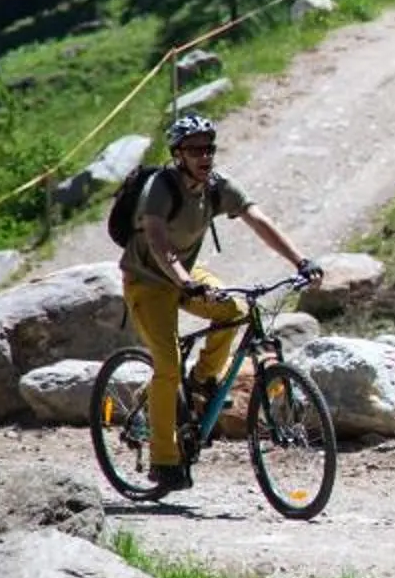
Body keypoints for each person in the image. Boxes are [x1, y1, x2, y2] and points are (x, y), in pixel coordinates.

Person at [122, 111, 324, 495]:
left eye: (209, 148)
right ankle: (164, 461)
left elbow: (258, 219)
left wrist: (300, 261)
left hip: (186, 277)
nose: (205, 156)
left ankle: (200, 383)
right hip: (148, 282)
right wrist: (184, 281)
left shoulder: (217, 186)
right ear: (178, 154)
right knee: (167, 365)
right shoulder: (161, 188)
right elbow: (156, 239)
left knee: (236, 308)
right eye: (195, 149)